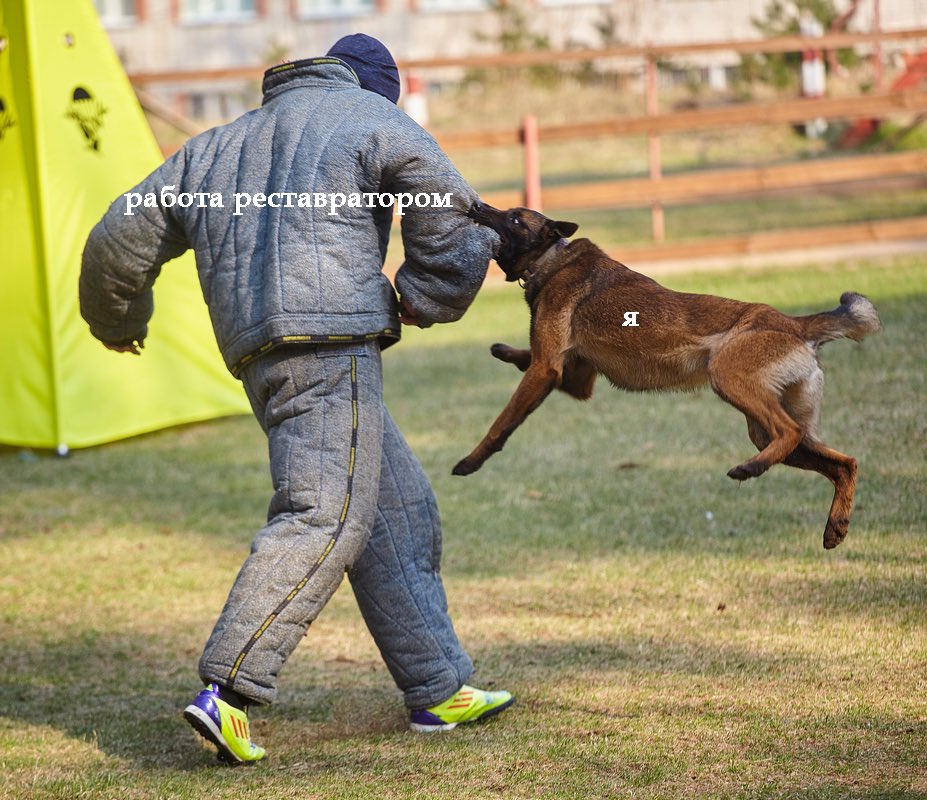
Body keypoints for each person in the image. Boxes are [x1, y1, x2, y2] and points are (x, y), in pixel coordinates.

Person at [80, 33, 513, 765]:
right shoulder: (374, 120)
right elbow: (450, 206)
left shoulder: (212, 146)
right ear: (377, 88)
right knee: (323, 514)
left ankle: (437, 687)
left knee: (392, 508)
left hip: (258, 351)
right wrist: (427, 294)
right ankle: (229, 692)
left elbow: (116, 238)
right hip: (329, 343)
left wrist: (119, 320)